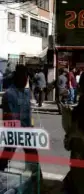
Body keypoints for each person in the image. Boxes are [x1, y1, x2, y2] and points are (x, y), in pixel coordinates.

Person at [0, 65, 43, 193]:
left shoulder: (26, 92)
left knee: (32, 155)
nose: (26, 80)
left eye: (27, 77)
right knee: (7, 155)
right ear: (17, 77)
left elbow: (27, 113)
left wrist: (30, 126)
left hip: (25, 131)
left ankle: (37, 179)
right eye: (24, 77)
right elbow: (9, 117)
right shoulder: (9, 94)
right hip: (15, 131)